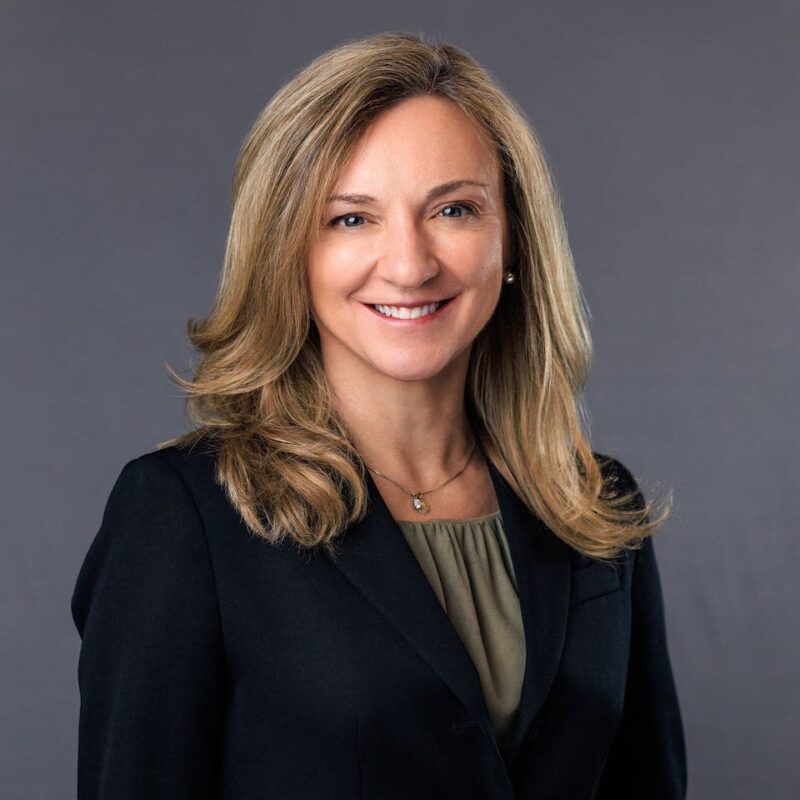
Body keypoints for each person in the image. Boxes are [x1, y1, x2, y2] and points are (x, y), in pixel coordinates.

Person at [71, 32, 687, 799]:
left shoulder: (597, 507)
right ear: (287, 253)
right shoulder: (185, 518)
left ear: (514, 240)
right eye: (351, 219)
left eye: (454, 210)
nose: (409, 263)